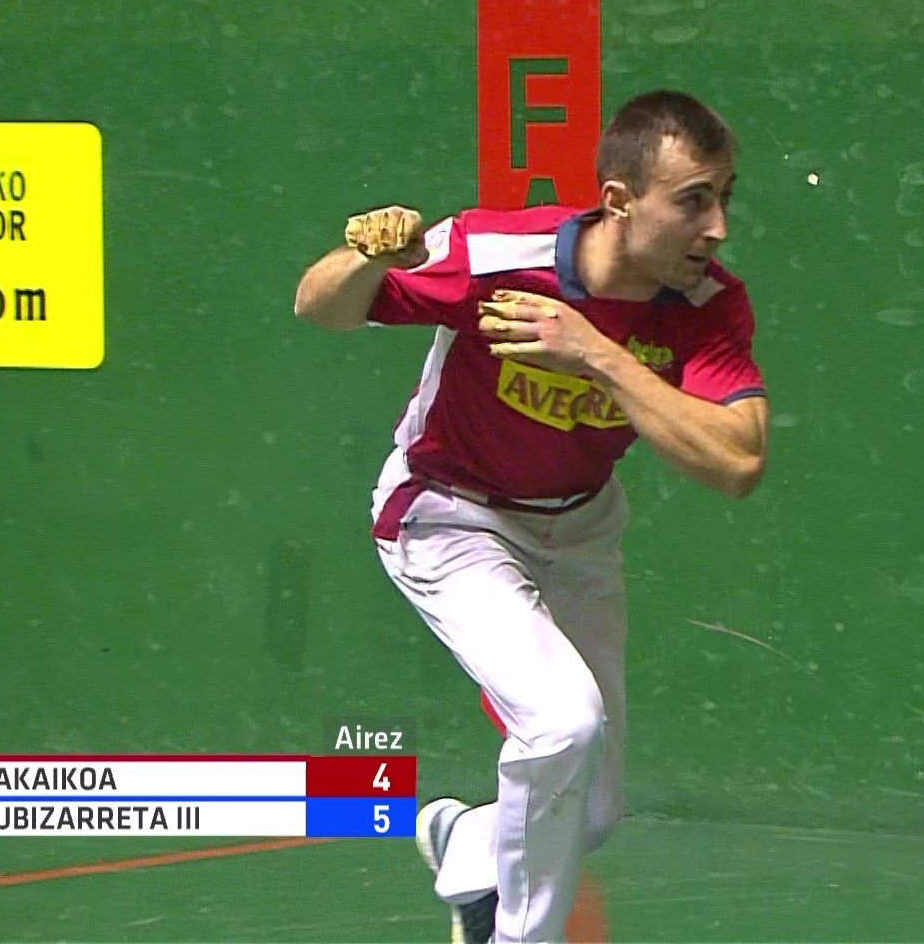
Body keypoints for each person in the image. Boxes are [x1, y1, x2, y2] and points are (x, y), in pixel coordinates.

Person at [293, 89, 769, 943]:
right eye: (693, 201)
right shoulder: (493, 254)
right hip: (449, 516)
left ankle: (466, 842)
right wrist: (364, 256)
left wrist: (594, 352)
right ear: (619, 201)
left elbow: (737, 462)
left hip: (580, 532)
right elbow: (319, 306)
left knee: (590, 811)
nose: (718, 227)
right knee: (561, 723)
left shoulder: (707, 307)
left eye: (725, 197)